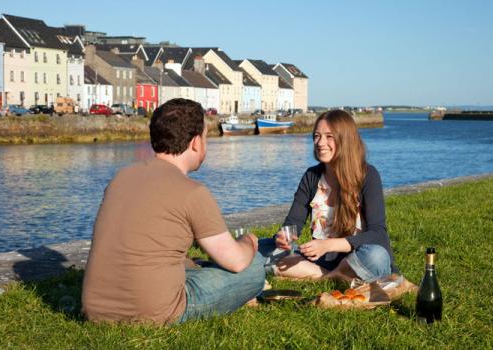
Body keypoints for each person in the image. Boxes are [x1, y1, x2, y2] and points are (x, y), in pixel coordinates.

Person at [82, 98, 265, 324]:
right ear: (196, 142)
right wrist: (248, 242)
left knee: (186, 262)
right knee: (254, 266)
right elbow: (235, 261)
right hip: (157, 311)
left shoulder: (121, 178)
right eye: (206, 137)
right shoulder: (192, 192)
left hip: (96, 308)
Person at [259, 109, 398, 283]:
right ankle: (330, 277)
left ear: (345, 139)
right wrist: (282, 238)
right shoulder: (312, 176)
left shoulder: (368, 175)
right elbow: (292, 224)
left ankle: (327, 275)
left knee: (377, 257)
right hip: (319, 261)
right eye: (317, 136)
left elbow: (378, 234)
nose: (320, 143)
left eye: (329, 136)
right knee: (259, 248)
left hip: (359, 258)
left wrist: (328, 245)